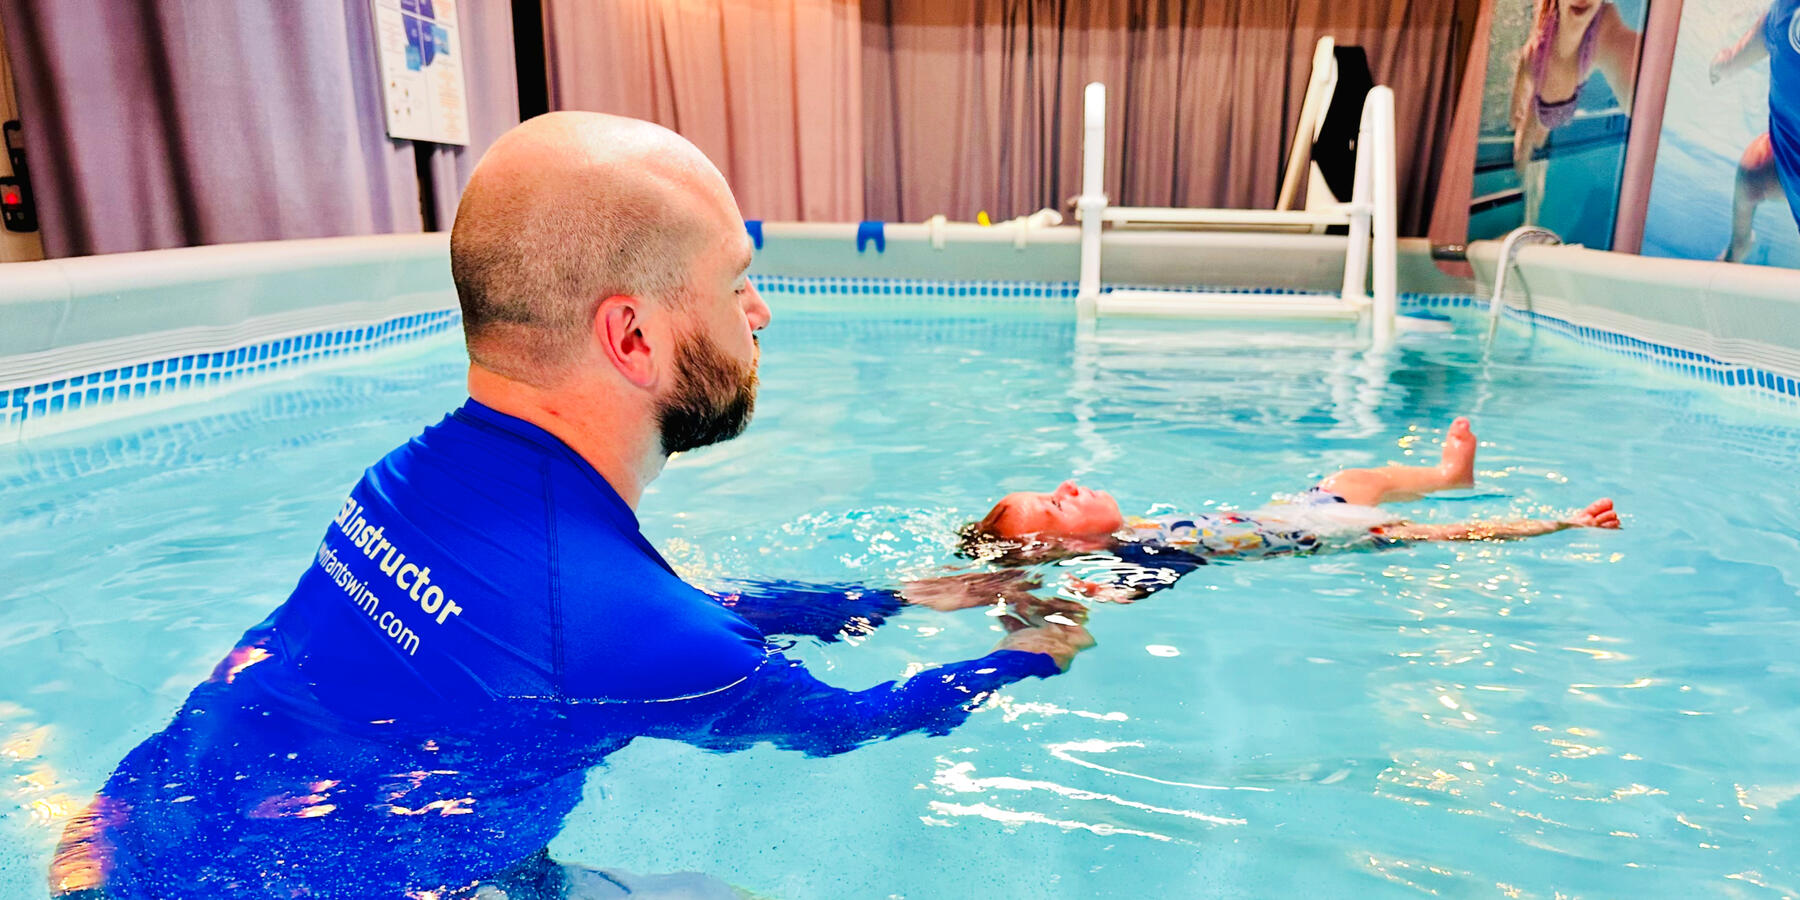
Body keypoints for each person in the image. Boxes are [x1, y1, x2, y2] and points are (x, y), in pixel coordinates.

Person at [49, 113, 1091, 900]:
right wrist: (1033, 647)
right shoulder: (621, 625)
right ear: (632, 337)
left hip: (112, 845)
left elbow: (636, 620)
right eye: (736, 282)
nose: (761, 311)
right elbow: (847, 721)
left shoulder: (404, 484)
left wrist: (902, 593)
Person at [955, 418, 1620, 602]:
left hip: (1297, 510)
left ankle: (1449, 473)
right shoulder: (1143, 554)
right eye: (1055, 502)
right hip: (1325, 533)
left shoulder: (1138, 532)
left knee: (1362, 473)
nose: (1071, 484)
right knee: (1443, 533)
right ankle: (1566, 521)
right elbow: (1134, 589)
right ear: (1060, 545)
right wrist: (1097, 592)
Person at [1710, 0, 1800, 274]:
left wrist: (1723, 65)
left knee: (1752, 171)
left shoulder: (1780, 16)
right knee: (1753, 169)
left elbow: (1734, 59)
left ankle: (1738, 245)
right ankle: (1739, 244)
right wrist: (1725, 64)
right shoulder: (1780, 17)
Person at [1508, 0, 1641, 226]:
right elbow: (1524, 63)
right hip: (1540, 106)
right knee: (1525, 152)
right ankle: (1520, 216)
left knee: (1540, 142)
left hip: (1557, 111)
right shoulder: (1537, 50)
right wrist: (1515, 110)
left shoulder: (1600, 34)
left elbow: (1622, 44)